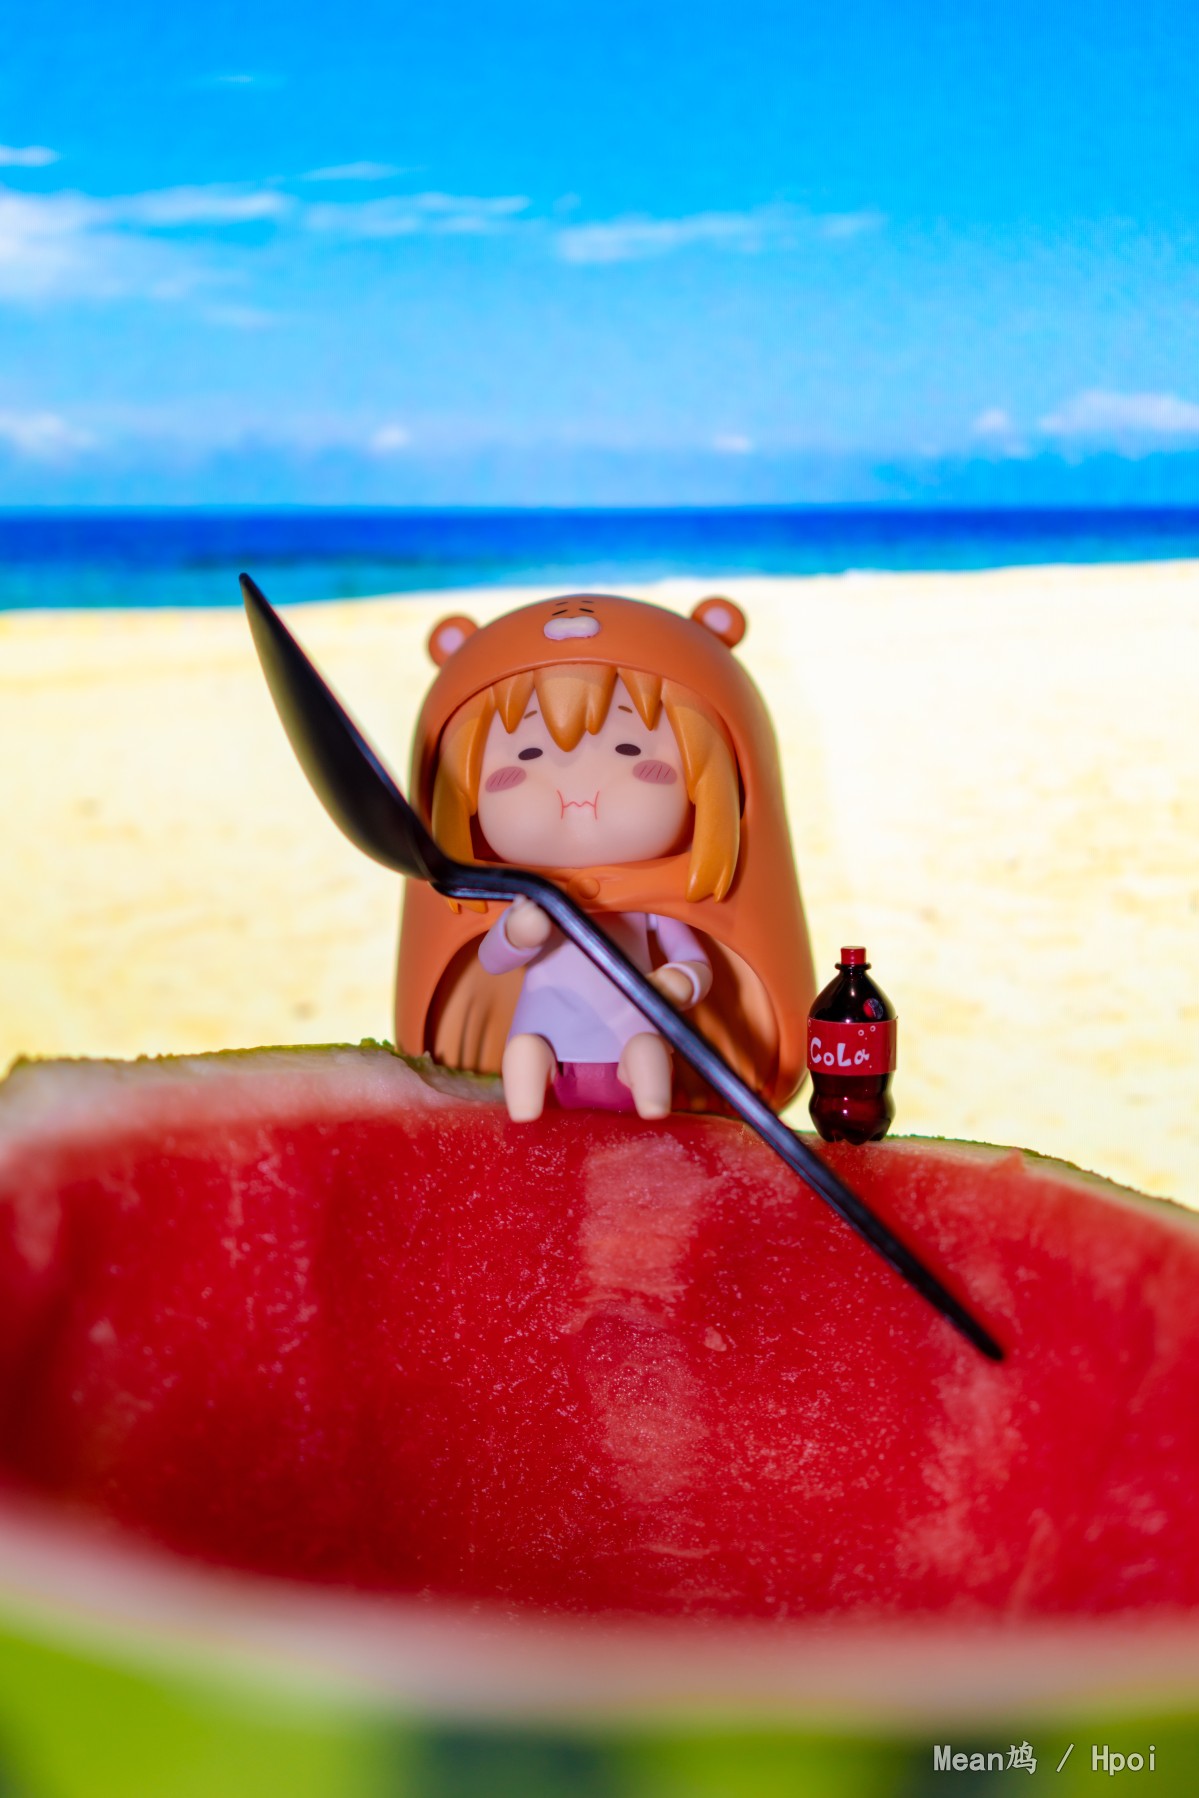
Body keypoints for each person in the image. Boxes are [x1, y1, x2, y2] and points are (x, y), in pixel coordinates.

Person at [395, 593, 816, 1119]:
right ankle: (522, 1127)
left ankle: (656, 1118)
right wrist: (517, 934)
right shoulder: (524, 905)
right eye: (528, 754)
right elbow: (491, 960)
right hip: (543, 1038)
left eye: (629, 749)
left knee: (648, 1054)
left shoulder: (653, 910)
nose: (578, 790)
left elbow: (692, 960)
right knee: (522, 1055)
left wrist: (680, 981)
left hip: (631, 1035)